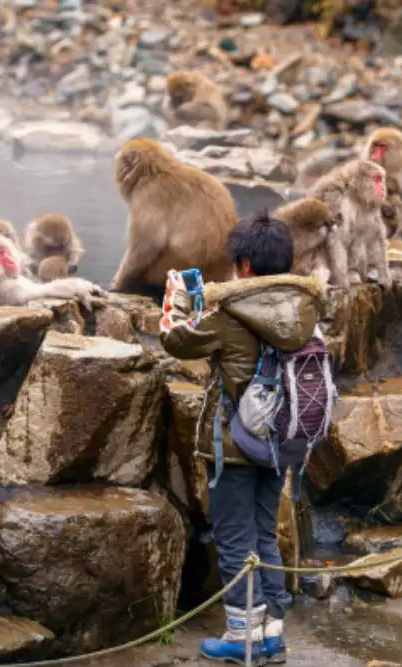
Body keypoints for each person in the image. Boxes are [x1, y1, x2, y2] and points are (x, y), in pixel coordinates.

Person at [159, 210, 325, 664]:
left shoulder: (230, 311)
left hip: (234, 446)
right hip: (280, 442)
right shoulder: (304, 307)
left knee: (235, 540)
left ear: (245, 265)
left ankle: (241, 636)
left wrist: (176, 300)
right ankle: (272, 633)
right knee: (264, 535)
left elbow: (176, 341)